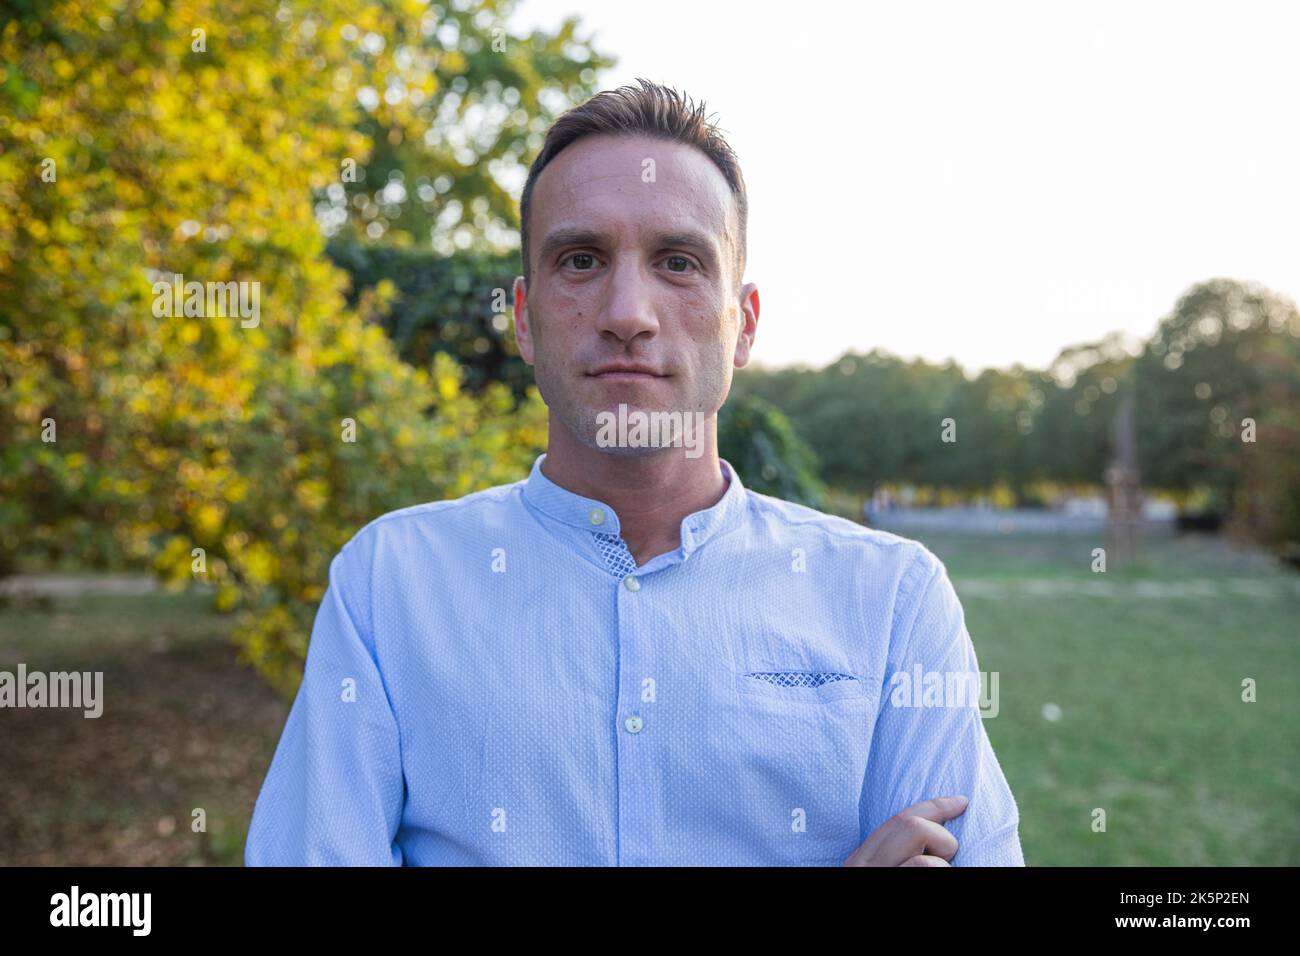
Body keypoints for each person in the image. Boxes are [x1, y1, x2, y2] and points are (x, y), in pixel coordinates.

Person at [245, 79, 1024, 866]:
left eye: (678, 262)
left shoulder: (892, 601)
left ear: (743, 323)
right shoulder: (389, 586)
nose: (628, 313)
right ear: (523, 316)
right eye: (580, 260)